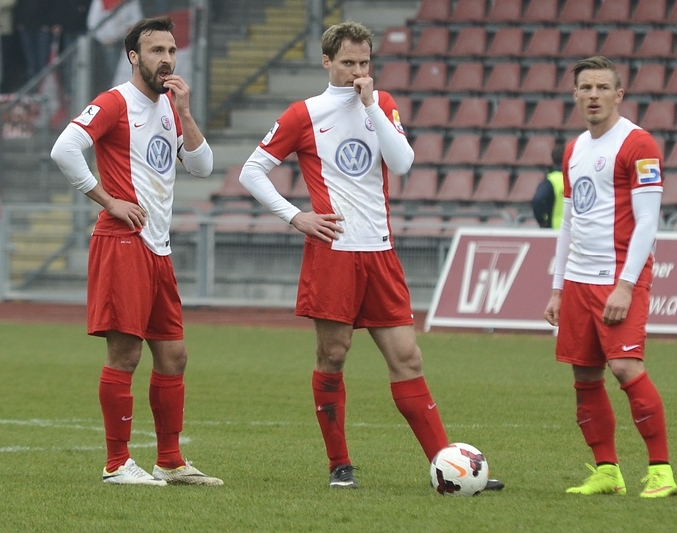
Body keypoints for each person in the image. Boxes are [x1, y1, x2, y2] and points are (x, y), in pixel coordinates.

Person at [238, 20, 503, 491]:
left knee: (408, 358)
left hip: (380, 251)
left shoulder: (381, 104)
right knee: (333, 355)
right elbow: (252, 171)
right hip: (333, 253)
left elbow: (402, 163)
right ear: (327, 62)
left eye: (365, 62)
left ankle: (447, 468)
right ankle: (339, 464)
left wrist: (371, 106)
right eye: (348, 63)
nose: (358, 72)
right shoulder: (304, 114)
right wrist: (295, 217)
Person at [50, 16, 222, 486]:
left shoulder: (169, 107)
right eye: (155, 51)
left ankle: (170, 460)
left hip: (157, 248)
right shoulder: (115, 102)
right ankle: (116, 463)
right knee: (125, 354)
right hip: (122, 241)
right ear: (133, 57)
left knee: (174, 356)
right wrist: (108, 201)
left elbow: (203, 167)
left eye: (171, 50)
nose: (166, 59)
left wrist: (186, 112)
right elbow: (65, 149)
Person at [543, 56, 677, 498]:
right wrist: (558, 288)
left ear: (619, 94)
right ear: (575, 95)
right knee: (585, 376)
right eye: (586, 88)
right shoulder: (574, 150)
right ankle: (607, 471)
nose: (594, 95)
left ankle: (661, 471)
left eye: (603, 88)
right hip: (578, 280)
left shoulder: (638, 144)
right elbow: (569, 222)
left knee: (625, 366)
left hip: (618, 276)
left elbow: (648, 221)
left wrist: (626, 284)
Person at [531, 140, 566, 229]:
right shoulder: (576, 178)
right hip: (575, 231)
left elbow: (538, 199)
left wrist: (542, 221)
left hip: (555, 230)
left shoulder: (551, 181)